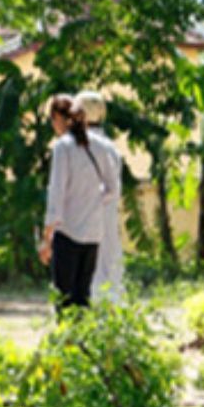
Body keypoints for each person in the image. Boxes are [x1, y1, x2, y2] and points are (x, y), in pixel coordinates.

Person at [41, 94, 112, 311]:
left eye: (53, 119)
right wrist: (92, 202)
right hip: (93, 233)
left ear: (59, 118)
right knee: (83, 296)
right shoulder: (100, 146)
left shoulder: (63, 147)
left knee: (64, 297)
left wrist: (46, 238)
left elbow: (57, 193)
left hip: (68, 232)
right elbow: (112, 188)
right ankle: (82, 341)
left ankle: (66, 342)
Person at [75, 90, 125, 301]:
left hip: (82, 216)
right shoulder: (111, 147)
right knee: (109, 261)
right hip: (107, 213)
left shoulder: (76, 145)